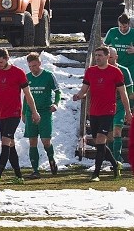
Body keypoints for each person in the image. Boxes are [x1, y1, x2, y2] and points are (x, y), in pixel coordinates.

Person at [0, 48, 40, 184]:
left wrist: (34, 112)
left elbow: (28, 95)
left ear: (7, 58)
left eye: (1, 62)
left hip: (14, 113)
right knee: (10, 143)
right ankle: (19, 176)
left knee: (5, 141)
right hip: (1, 113)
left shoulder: (18, 73)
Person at [73, 45, 132, 181]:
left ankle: (96, 174)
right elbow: (84, 89)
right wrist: (79, 95)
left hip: (108, 111)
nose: (97, 58)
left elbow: (123, 94)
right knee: (99, 143)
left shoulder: (115, 72)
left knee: (101, 140)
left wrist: (128, 112)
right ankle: (115, 163)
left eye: (100, 55)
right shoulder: (91, 71)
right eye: (96, 55)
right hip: (94, 111)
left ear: (107, 57)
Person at [23, 52, 61, 179]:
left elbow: (58, 92)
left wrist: (55, 104)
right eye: (30, 67)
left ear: (39, 63)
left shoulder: (49, 76)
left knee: (46, 141)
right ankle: (35, 170)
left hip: (45, 112)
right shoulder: (27, 77)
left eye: (35, 65)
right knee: (32, 141)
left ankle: (51, 159)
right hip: (30, 113)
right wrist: (23, 112)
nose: (33, 69)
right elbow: (25, 97)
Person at [108, 46, 133, 165]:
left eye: (111, 57)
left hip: (120, 104)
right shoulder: (99, 70)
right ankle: (111, 158)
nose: (109, 60)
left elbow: (129, 92)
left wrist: (128, 110)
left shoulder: (124, 71)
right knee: (108, 135)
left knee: (117, 131)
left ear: (116, 57)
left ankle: (117, 159)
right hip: (105, 105)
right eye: (107, 57)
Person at [103, 13, 134, 77]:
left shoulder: (133, 33)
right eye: (120, 27)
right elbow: (104, 46)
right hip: (116, 66)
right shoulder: (112, 32)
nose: (122, 29)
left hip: (131, 66)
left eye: (125, 27)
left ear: (129, 24)